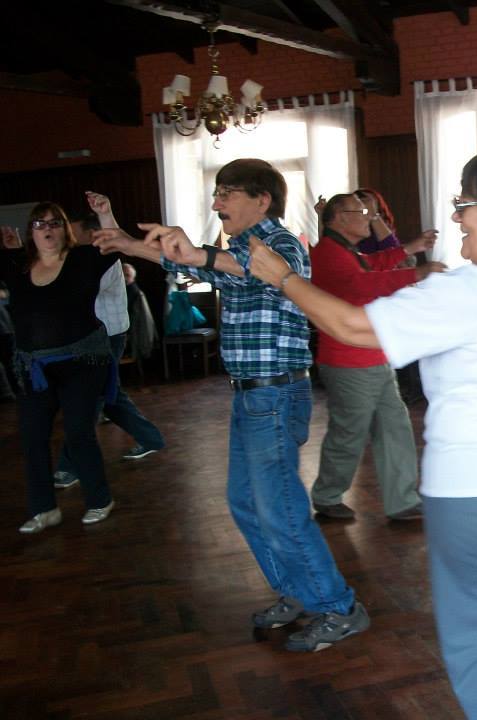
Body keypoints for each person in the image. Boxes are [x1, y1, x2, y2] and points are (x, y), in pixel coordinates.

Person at [248, 151, 477, 720]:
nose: (456, 217)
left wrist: (283, 277)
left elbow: (351, 325)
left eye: (464, 203)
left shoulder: (470, 290)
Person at [93, 159, 367, 652]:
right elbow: (206, 266)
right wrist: (131, 244)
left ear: (262, 200)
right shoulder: (239, 248)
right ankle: (296, 591)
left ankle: (337, 607)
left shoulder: (281, 245)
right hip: (251, 396)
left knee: (280, 510)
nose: (217, 202)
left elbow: (241, 269)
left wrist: (195, 254)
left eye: (227, 193)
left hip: (275, 395)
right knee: (245, 504)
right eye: (217, 193)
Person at [309, 192, 442, 521]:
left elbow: (373, 265)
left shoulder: (345, 250)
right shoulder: (327, 253)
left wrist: (410, 251)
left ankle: (403, 502)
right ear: (340, 218)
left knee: (395, 427)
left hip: (372, 356)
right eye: (362, 212)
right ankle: (327, 496)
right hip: (348, 361)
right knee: (349, 432)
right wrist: (416, 273)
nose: (369, 217)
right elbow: (362, 284)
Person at [1, 202, 120, 532]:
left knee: (78, 433)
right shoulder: (18, 264)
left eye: (54, 223)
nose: (48, 229)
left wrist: (105, 212)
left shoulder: (82, 259)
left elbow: (114, 244)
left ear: (65, 229)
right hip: (34, 368)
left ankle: (99, 499)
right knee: (32, 437)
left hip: (82, 363)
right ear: (31, 232)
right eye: (40, 224)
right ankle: (44, 509)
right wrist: (9, 247)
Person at [53, 193, 165, 492]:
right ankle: (151, 439)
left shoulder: (102, 257)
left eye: (73, 232)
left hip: (107, 336)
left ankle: (69, 466)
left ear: (91, 234)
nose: (68, 238)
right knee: (108, 395)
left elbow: (79, 291)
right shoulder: (86, 257)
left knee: (88, 400)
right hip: (95, 337)